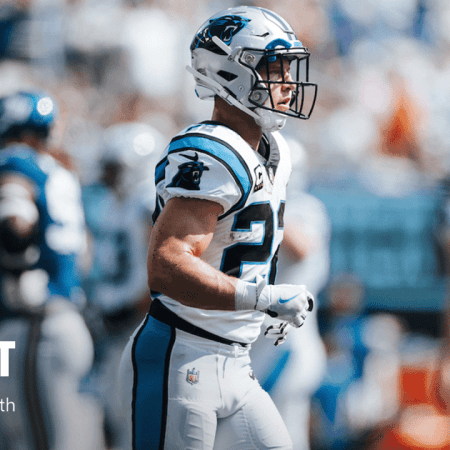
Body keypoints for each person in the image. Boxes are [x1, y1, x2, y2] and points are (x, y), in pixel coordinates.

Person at [119, 6, 317, 450]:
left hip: (237, 358)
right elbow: (167, 265)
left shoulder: (276, 151)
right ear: (231, 72)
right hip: (182, 352)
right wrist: (262, 298)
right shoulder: (210, 151)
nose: (288, 82)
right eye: (275, 67)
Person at [0, 90, 104, 450]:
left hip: (32, 327)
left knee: (29, 440)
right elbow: (84, 253)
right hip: (61, 320)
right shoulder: (59, 173)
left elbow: (15, 226)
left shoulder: (15, 164)